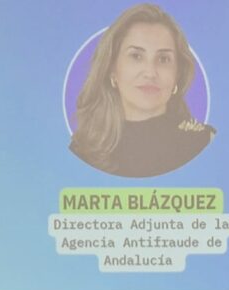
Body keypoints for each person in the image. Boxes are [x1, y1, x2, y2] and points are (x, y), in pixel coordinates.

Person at [70, 3, 215, 178]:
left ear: (178, 73)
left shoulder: (206, 143)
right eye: (136, 56)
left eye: (163, 59)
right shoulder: (82, 151)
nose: (150, 73)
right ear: (112, 69)